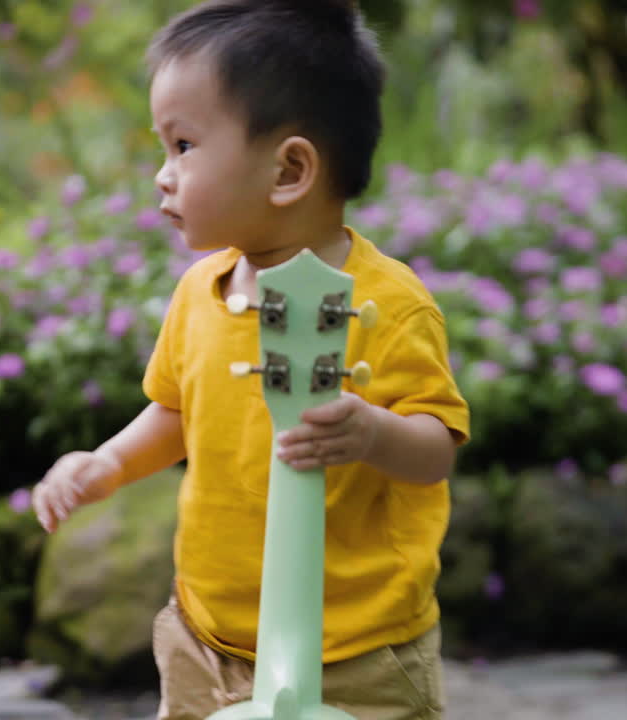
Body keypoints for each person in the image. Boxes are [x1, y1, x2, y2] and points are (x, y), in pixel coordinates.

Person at [32, 1, 470, 717]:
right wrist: (108, 463)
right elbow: (177, 410)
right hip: (208, 637)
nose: (162, 175)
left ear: (289, 169)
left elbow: (436, 448)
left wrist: (373, 432)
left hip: (357, 652)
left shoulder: (389, 306)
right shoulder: (199, 293)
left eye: (184, 145)